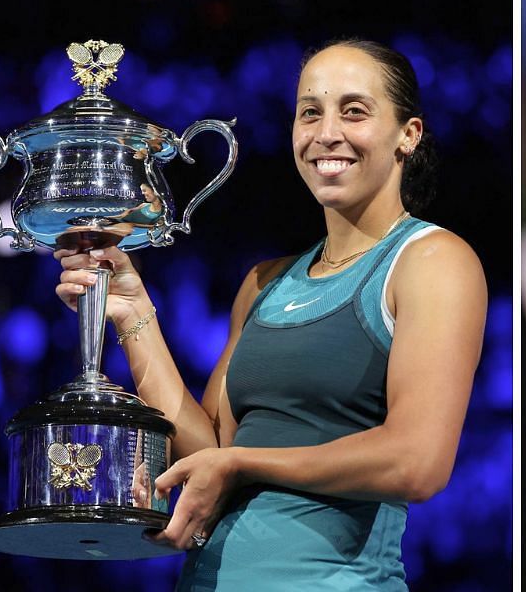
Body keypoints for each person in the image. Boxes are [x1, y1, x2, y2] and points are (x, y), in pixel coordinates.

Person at [53, 38, 487, 590]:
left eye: (353, 110)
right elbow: (208, 450)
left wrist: (242, 465)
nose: (326, 133)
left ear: (409, 134)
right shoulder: (264, 283)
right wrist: (132, 310)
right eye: (310, 112)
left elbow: (417, 462)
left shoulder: (432, 261)